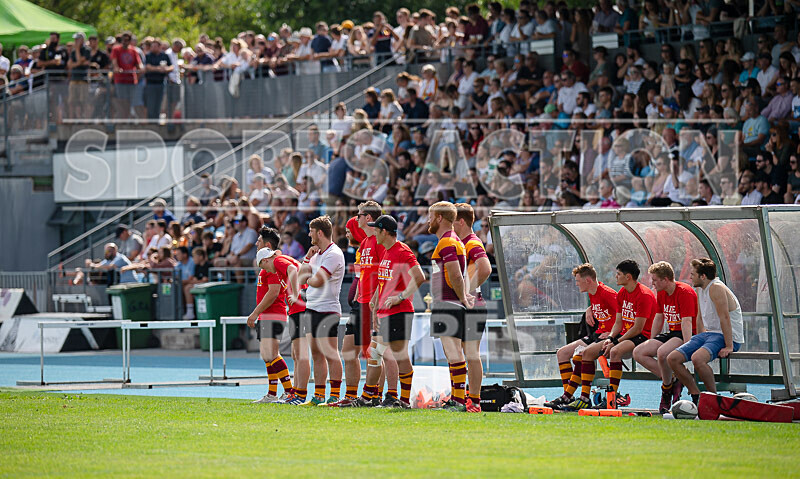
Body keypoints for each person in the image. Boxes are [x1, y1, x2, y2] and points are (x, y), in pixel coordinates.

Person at [567, 259, 656, 410]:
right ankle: (582, 397)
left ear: (628, 277)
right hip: (620, 334)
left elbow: (638, 328)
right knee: (585, 354)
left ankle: (612, 398)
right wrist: (610, 337)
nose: (615, 277)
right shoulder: (622, 293)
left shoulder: (643, 295)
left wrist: (615, 340)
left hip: (640, 336)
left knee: (614, 351)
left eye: (618, 274)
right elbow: (619, 322)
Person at [335, 202, 390, 407]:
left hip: (371, 304)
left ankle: (374, 395)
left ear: (368, 218)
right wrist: (358, 294)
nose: (356, 219)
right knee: (348, 349)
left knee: (372, 354)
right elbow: (364, 274)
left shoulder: (377, 240)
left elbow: (384, 273)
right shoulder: (366, 242)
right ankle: (351, 395)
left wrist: (375, 300)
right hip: (360, 303)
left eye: (358, 216)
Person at [668, 258, 744, 405]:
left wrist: (729, 346)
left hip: (726, 336)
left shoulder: (716, 288)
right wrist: (699, 338)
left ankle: (713, 399)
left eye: (693, 274)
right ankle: (696, 394)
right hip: (709, 334)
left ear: (703, 276)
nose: (690, 277)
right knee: (672, 358)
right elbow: (700, 317)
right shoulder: (700, 288)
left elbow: (725, 317)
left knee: (697, 358)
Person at [368, 215, 426, 408]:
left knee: (396, 355)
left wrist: (400, 297)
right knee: (382, 353)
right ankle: (392, 397)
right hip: (387, 313)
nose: (373, 232)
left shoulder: (401, 250)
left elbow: (419, 276)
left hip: (399, 311)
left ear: (384, 231)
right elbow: (384, 281)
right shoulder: (387, 251)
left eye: (376, 229)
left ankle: (399, 399)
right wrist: (376, 300)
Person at [545, 263, 617, 410]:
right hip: (597, 335)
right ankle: (569, 396)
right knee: (562, 353)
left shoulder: (608, 293)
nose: (576, 284)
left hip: (609, 337)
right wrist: (589, 309)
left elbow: (624, 316)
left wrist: (612, 334)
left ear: (588, 281)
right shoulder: (592, 292)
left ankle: (581, 398)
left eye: (578, 281)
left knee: (580, 355)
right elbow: (601, 307)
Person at [632, 261, 698, 414]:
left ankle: (666, 391)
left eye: (655, 280)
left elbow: (687, 322)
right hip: (673, 332)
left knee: (662, 353)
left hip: (685, 332)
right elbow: (659, 317)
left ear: (665, 279)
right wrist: (652, 340)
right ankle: (674, 380)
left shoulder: (684, 292)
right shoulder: (661, 293)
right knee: (639, 352)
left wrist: (687, 348)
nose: (652, 283)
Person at [427, 201, 474, 412]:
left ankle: (458, 400)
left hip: (448, 302)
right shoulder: (453, 240)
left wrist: (462, 297)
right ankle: (458, 398)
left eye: (430, 216)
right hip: (449, 302)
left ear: (439, 218)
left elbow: (455, 274)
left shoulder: (447, 241)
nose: (428, 220)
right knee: (453, 352)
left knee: (453, 352)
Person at [295, 216, 345, 405]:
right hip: (312, 308)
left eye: (311, 231)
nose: (309, 234)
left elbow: (317, 281)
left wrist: (308, 276)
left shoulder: (334, 254)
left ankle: (334, 395)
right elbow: (300, 279)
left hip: (327, 310)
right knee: (316, 354)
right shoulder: (315, 254)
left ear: (320, 233)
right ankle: (318, 396)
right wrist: (307, 258)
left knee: (331, 353)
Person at [453, 203, 492, 412]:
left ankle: (474, 399)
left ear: (461, 221)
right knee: (460, 353)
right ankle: (461, 397)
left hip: (472, 304)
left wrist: (468, 289)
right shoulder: (462, 242)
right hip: (467, 303)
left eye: (453, 222)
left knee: (470, 353)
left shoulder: (471, 242)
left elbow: (485, 268)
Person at [247, 247, 296, 404]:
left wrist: (254, 313)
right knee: (268, 356)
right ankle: (272, 393)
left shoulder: (273, 268)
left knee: (272, 355)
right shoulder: (272, 266)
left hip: (272, 314)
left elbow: (273, 292)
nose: (257, 242)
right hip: (269, 315)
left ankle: (289, 391)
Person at [182, 247, 210, 320]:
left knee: (188, 288)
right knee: (187, 287)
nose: (193, 259)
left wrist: (193, 281)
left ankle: (190, 312)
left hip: (207, 287)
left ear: (201, 257)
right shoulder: (197, 266)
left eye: (195, 257)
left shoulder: (208, 265)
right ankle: (190, 312)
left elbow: (205, 281)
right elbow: (195, 279)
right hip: (198, 285)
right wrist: (195, 281)